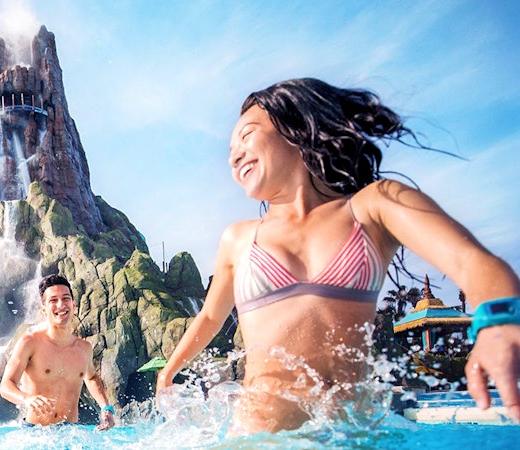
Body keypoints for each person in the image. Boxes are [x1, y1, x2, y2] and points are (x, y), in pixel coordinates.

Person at [155, 78, 520, 434]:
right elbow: (210, 316)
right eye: (230, 149)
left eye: (246, 135)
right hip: (259, 440)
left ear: (295, 126)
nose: (234, 155)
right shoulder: (238, 238)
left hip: (355, 437)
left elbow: (471, 262)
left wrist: (498, 321)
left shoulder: (374, 206)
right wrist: (168, 371)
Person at [0, 274, 116, 430]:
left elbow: (92, 377)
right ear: (44, 309)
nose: (61, 305)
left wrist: (106, 408)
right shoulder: (30, 343)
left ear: (74, 305)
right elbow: (6, 386)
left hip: (71, 432)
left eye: (66, 298)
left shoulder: (84, 348)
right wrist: (26, 399)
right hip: (36, 432)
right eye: (53, 300)